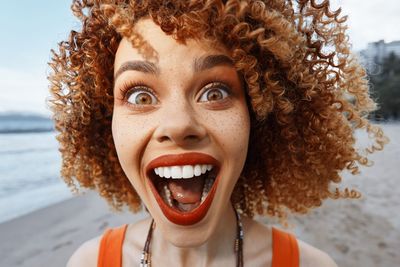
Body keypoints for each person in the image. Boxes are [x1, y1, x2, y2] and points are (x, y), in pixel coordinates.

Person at [48, 0, 387, 266]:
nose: (179, 125)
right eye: (140, 95)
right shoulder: (88, 262)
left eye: (215, 92)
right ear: (107, 126)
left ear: (257, 118)